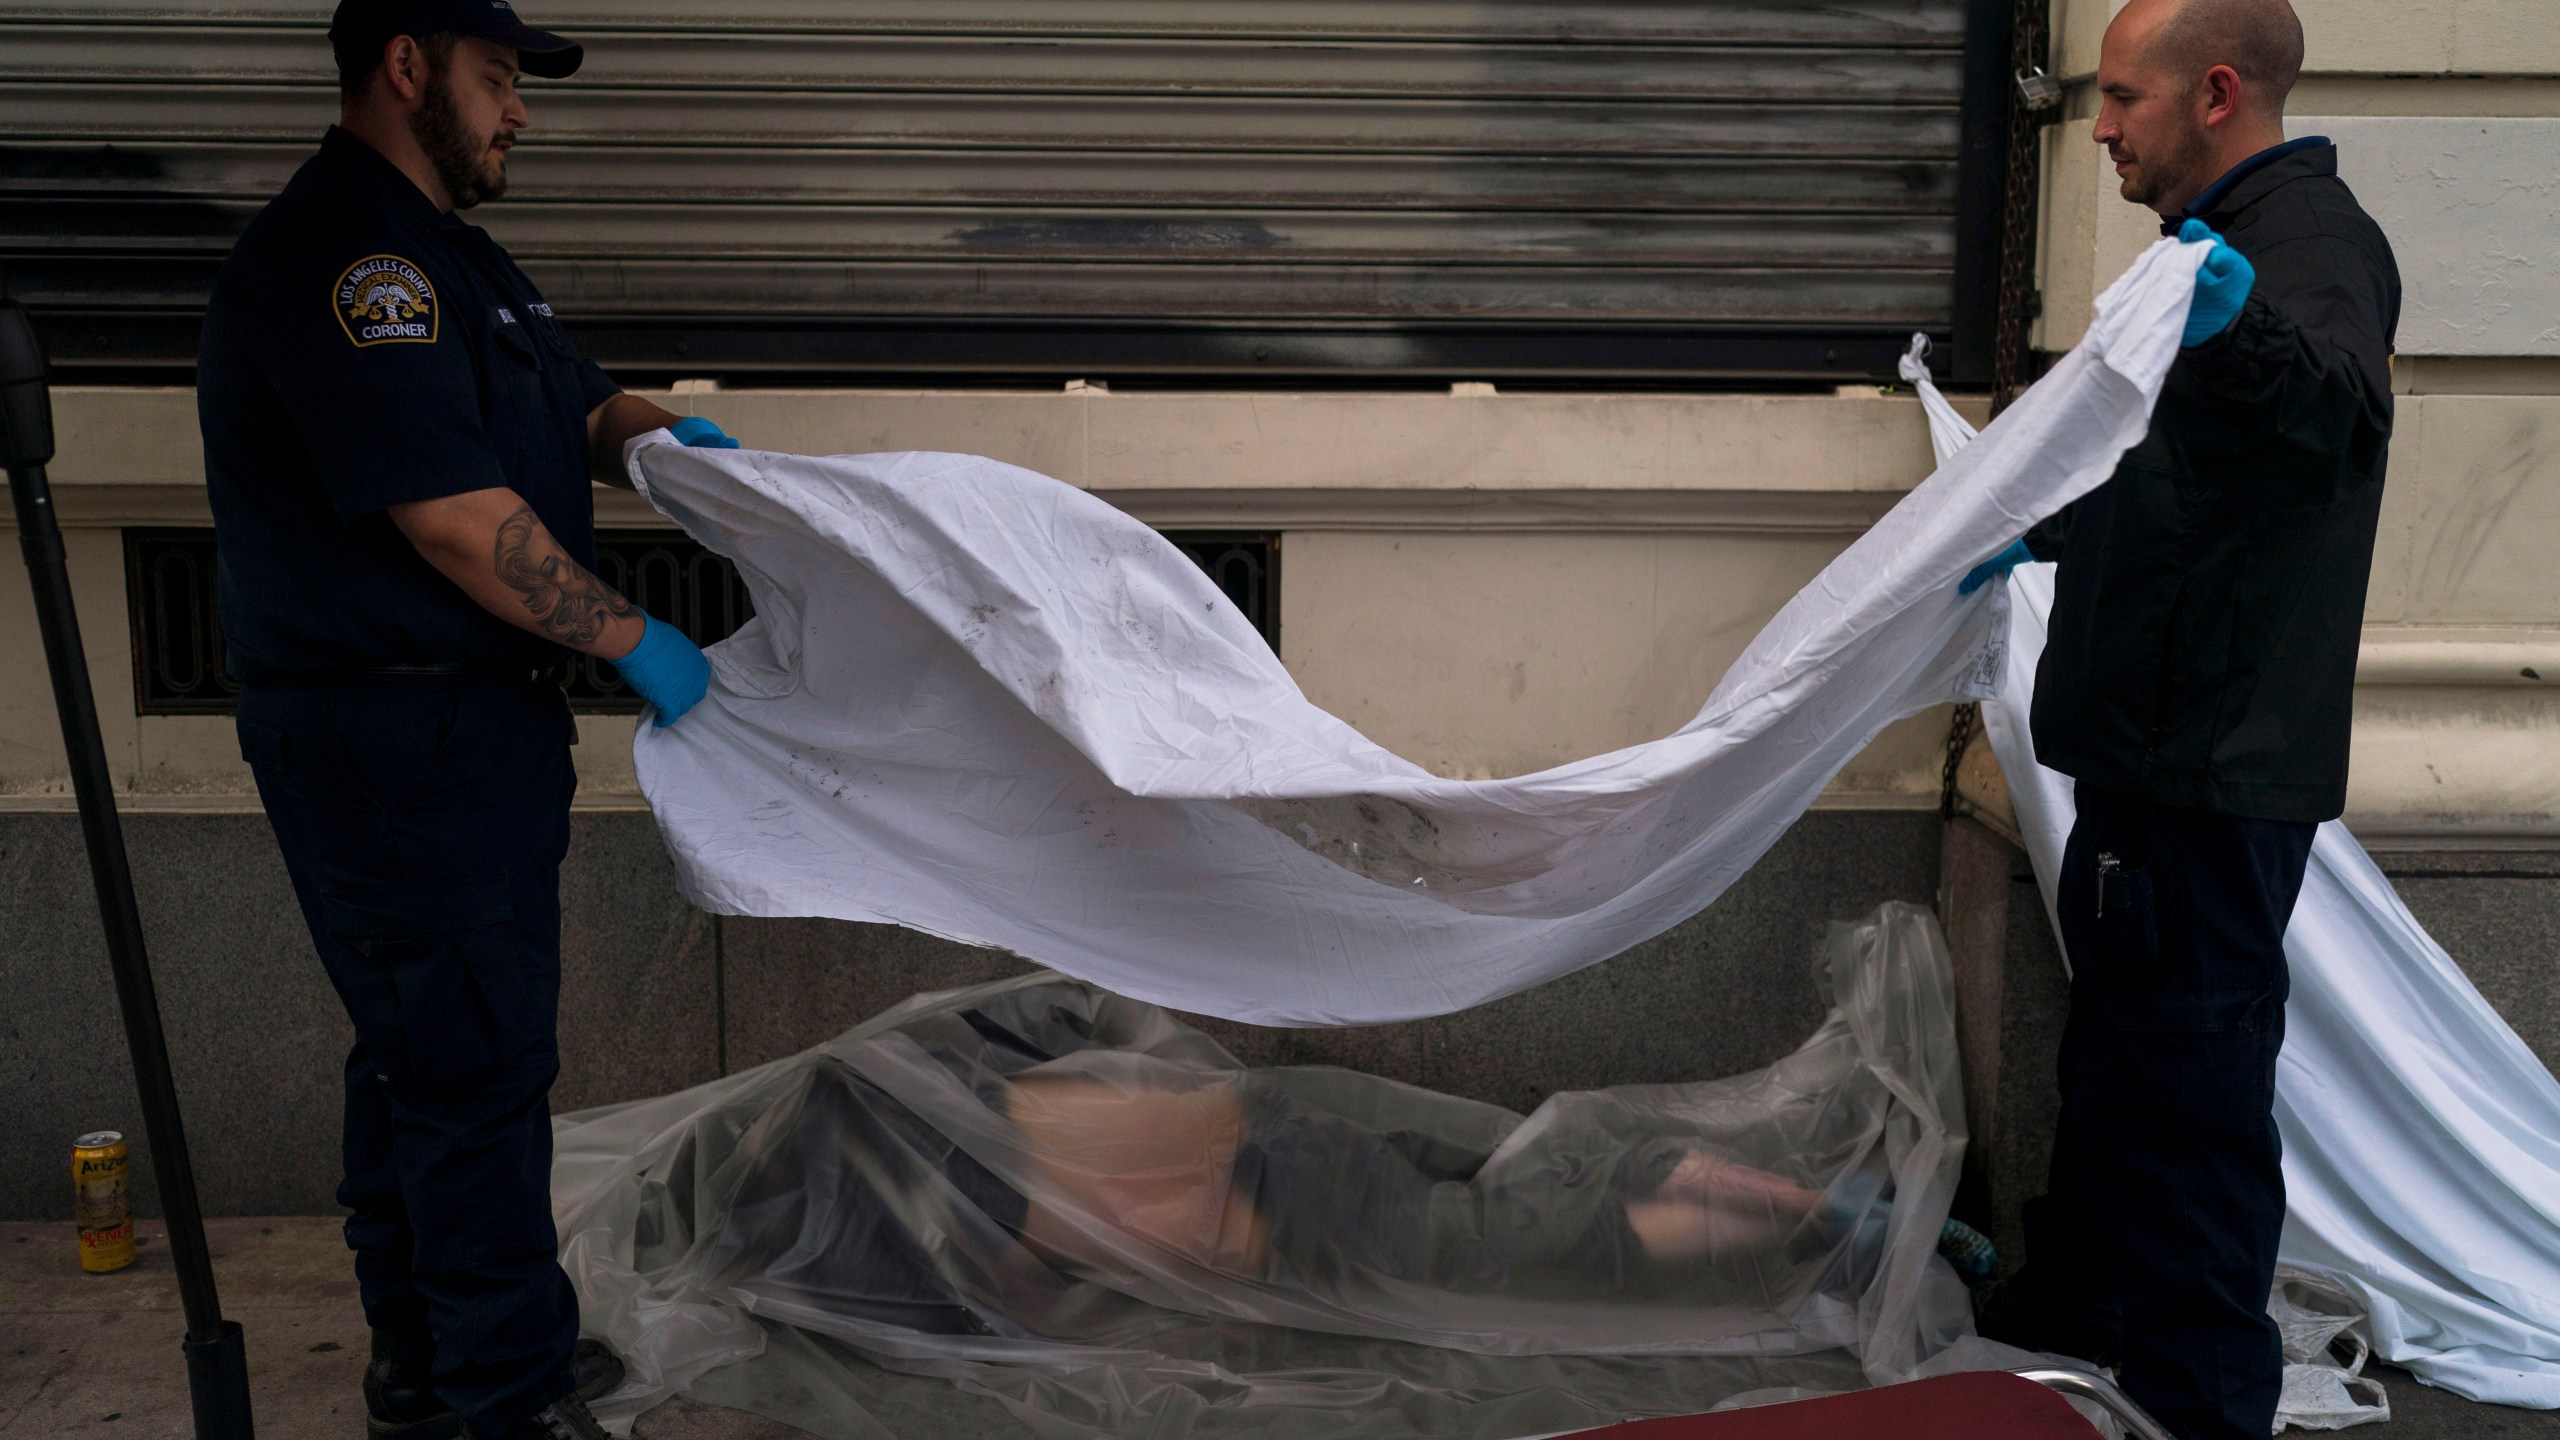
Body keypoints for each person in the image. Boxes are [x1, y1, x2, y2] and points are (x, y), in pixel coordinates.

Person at [197, 2, 743, 1435]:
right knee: (474, 1077)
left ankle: (422, 1365)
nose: (520, 113)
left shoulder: (458, 257)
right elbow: (448, 519)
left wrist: (680, 457)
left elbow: (570, 406)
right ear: (405, 66)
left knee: (421, 1057)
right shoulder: (348, 264)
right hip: (398, 745)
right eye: (497, 79)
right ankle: (499, 1401)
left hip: (457, 739)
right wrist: (641, 641)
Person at [1971, 1, 2401, 1437]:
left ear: (2216, 93)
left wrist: (2234, 327)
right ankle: (2085, 1302)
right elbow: (2185, 485)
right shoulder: (2203, 257)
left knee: (2194, 1087)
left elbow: (2331, 408)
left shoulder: (2309, 246)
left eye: (2122, 96)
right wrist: (2048, 531)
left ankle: (2206, 1399)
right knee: (2125, 1054)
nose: (2098, 127)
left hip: (2213, 769)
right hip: (2157, 749)